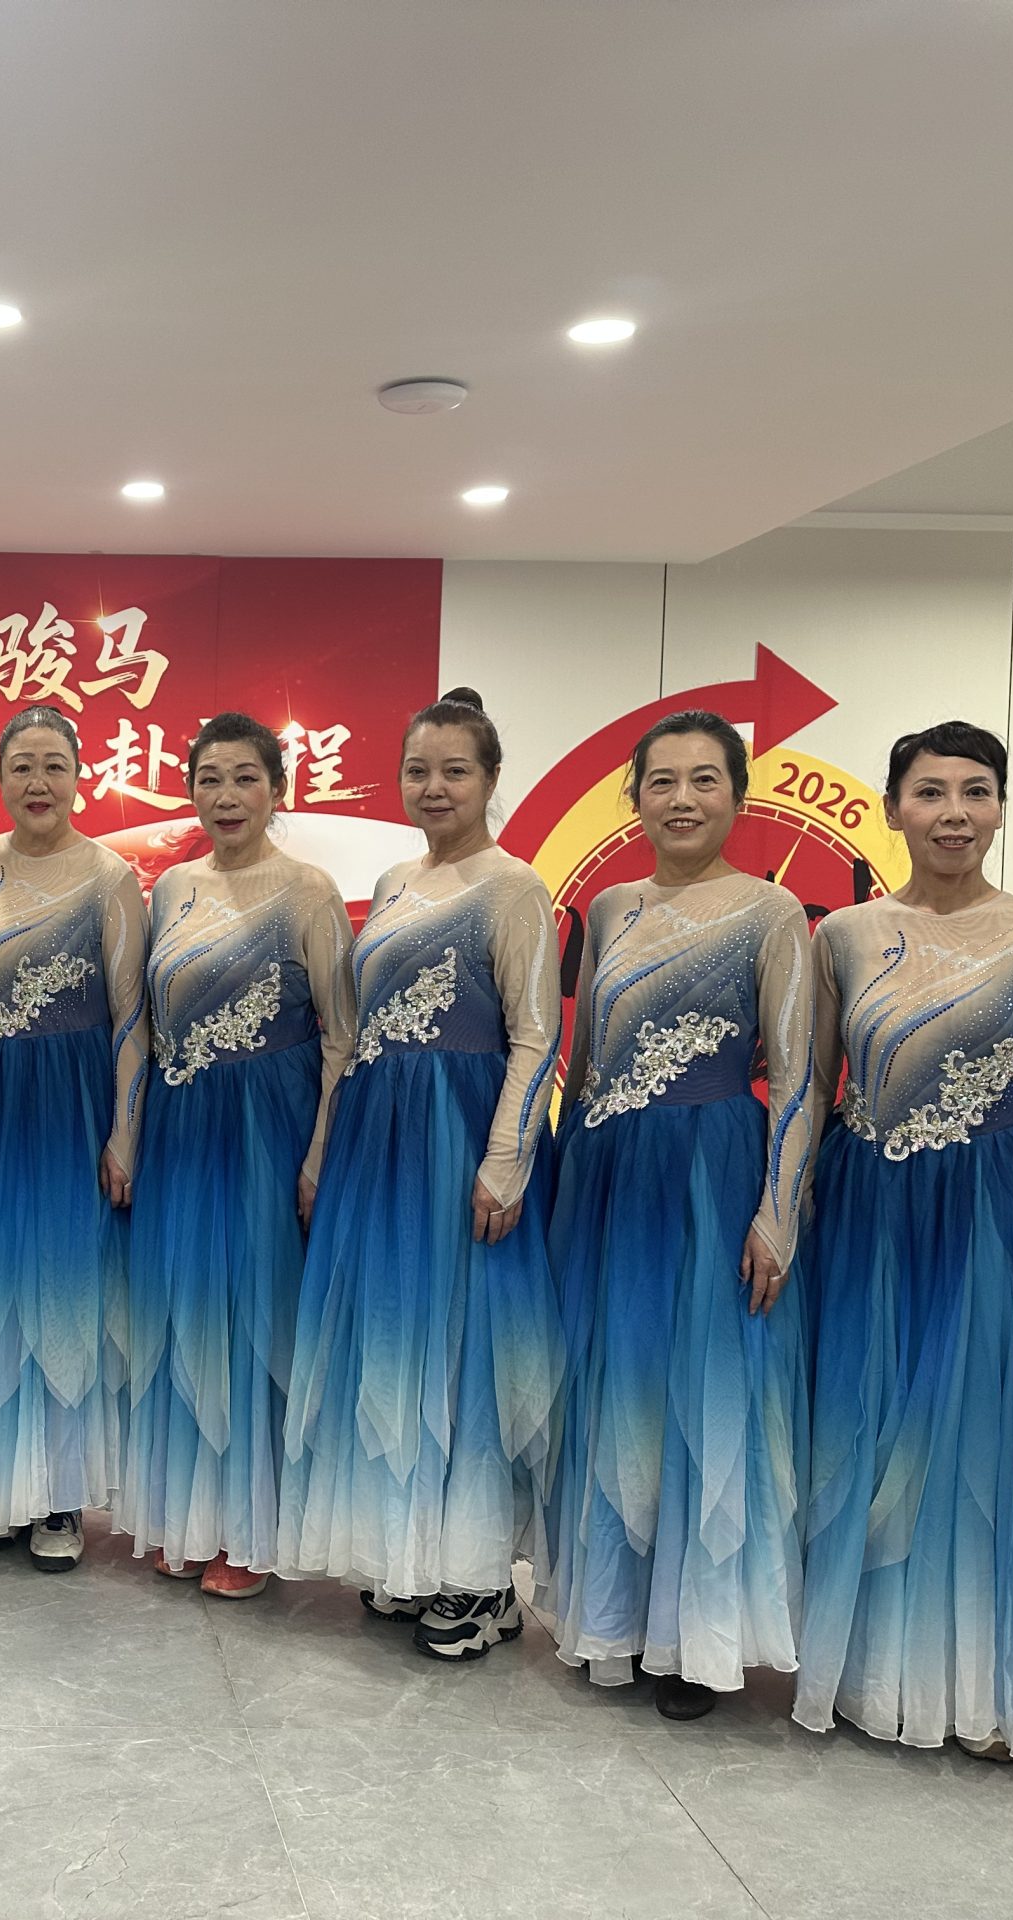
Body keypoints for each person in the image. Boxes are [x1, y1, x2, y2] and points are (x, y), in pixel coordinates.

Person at [795, 721, 1013, 1766]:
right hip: (865, 1208)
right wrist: (782, 1207)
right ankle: (872, 1668)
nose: (954, 814)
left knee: (980, 1433)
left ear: (1000, 807)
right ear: (893, 807)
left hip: (992, 1208)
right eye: (930, 792)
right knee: (864, 1424)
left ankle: (983, 1684)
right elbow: (811, 1086)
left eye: (976, 792)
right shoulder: (843, 935)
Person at [532, 711, 819, 1718]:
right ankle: (616, 1617)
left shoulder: (771, 912)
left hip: (711, 1173)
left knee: (707, 1397)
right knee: (615, 1387)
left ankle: (695, 1637)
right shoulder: (608, 907)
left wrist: (778, 1209)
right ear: (636, 799)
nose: (683, 799)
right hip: (608, 1176)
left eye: (705, 780)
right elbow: (588, 1057)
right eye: (662, 781)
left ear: (737, 796)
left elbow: (797, 1077)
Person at [277, 690, 565, 1658]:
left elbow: (535, 1036)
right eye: (418, 770)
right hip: (379, 1139)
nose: (434, 787)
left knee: (464, 1351)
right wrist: (325, 1150)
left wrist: (504, 1160)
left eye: (455, 771)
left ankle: (480, 1582)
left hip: (458, 1138)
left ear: (490, 779)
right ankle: (410, 1557)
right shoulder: (396, 879)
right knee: (396, 1341)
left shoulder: (514, 887)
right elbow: (353, 1031)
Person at [116, 712, 355, 1599]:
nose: (226, 796)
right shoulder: (172, 888)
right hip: (182, 1124)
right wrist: (130, 1131)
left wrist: (319, 1151)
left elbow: (343, 1036)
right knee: (184, 1308)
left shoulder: (308, 891)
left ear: (278, 790)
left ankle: (250, 1534)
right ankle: (189, 1515)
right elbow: (145, 1021)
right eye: (209, 779)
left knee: (258, 1318)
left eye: (246, 778)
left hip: (268, 1123)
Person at [0, 706, 148, 1572]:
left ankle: (59, 1495)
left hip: (72, 1104)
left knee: (63, 1288)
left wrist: (124, 1129)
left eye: (54, 765)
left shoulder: (110, 876)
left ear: (79, 776)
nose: (38, 783)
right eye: (22, 766)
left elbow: (131, 1017)